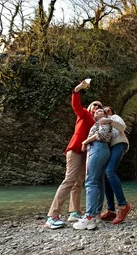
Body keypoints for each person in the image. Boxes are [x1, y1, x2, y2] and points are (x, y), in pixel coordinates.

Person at [45, 80, 103, 229]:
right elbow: (76, 105)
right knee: (69, 179)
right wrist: (77, 90)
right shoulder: (84, 114)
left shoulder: (98, 125)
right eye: (94, 105)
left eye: (100, 106)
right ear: (90, 108)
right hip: (75, 150)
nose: (97, 107)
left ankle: (74, 212)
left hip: (85, 154)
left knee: (79, 182)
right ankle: (52, 216)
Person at [73, 108, 112, 230]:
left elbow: (100, 135)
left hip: (98, 148)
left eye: (100, 110)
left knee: (91, 181)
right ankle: (95, 214)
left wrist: (85, 142)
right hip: (100, 149)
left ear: (105, 114)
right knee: (98, 182)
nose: (97, 112)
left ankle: (89, 217)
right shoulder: (99, 122)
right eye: (95, 112)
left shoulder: (104, 121)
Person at [99, 106, 130, 224]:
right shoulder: (101, 123)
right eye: (104, 110)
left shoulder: (114, 118)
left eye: (109, 110)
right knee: (106, 176)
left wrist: (110, 120)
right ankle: (111, 210)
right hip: (110, 148)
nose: (107, 112)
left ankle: (123, 205)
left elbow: (123, 127)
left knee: (109, 171)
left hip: (119, 144)